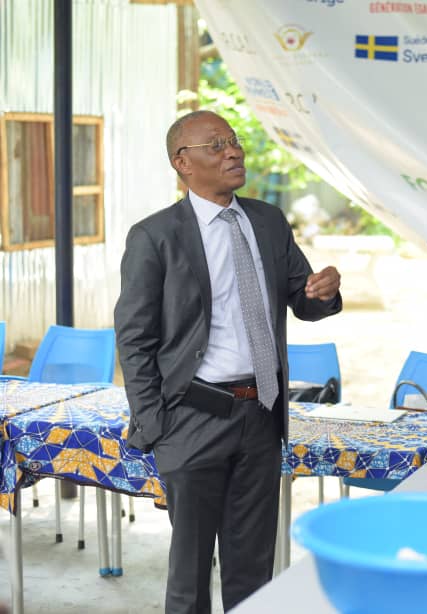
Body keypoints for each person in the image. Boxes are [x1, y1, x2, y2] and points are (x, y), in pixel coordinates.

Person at [114, 110, 342, 613]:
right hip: (192, 419)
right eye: (215, 145)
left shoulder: (266, 220)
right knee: (190, 573)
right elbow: (134, 337)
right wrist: (156, 425)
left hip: (260, 415)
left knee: (253, 568)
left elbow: (301, 299)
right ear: (183, 162)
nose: (233, 152)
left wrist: (321, 292)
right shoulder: (155, 236)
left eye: (233, 141)